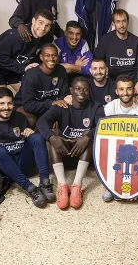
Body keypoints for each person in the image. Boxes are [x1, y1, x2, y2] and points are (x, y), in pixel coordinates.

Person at [37, 78, 105, 210]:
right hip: (64, 154)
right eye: (78, 88)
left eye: (85, 89)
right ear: (71, 90)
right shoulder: (62, 106)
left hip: (85, 157)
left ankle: (77, 185)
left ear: (89, 91)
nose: (82, 92)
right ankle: (62, 185)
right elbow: (41, 121)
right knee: (55, 137)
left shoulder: (96, 106)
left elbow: (103, 124)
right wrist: (51, 137)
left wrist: (87, 137)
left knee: (88, 135)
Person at [101, 74, 138, 201]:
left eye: (129, 89)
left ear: (134, 90)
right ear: (116, 91)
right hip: (117, 148)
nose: (125, 93)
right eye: (122, 89)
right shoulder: (110, 107)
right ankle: (110, 185)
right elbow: (106, 136)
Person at [0, 9, 54, 92]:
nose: (43, 28)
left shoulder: (47, 38)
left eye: (47, 25)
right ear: (33, 20)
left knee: (27, 94)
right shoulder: (16, 36)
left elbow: (36, 58)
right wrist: (23, 68)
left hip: (12, 64)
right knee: (3, 96)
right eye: (40, 23)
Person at [94, 9, 138, 95]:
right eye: (118, 22)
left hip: (133, 79)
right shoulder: (105, 40)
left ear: (128, 23)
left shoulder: (136, 41)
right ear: (113, 23)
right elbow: (97, 61)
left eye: (124, 21)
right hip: (113, 80)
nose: (122, 25)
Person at [13, 43, 69, 128]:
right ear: (41, 57)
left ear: (57, 57)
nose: (51, 58)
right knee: (31, 121)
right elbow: (28, 105)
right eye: (47, 55)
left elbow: (63, 95)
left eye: (54, 55)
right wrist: (52, 103)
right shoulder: (31, 75)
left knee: (62, 117)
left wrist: (56, 113)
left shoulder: (61, 70)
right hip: (24, 106)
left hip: (46, 106)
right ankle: (28, 140)